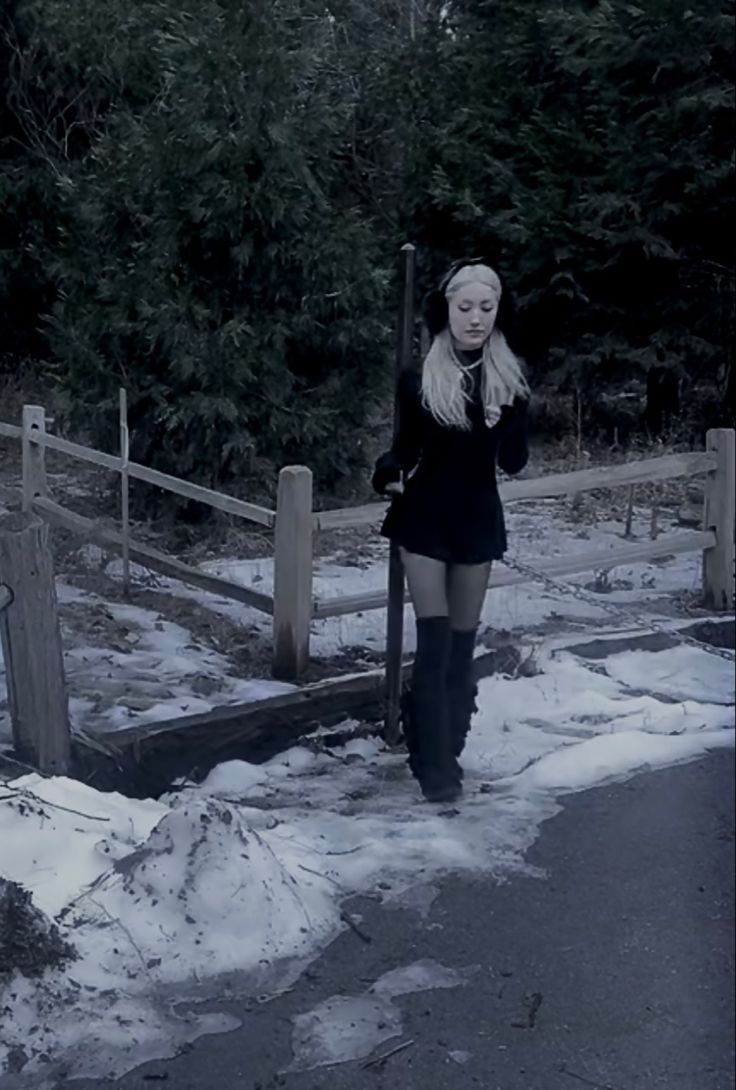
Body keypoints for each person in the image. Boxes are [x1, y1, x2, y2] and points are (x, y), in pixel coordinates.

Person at [372, 260, 530, 804]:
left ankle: (450, 748)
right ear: (446, 310)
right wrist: (388, 471)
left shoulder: (509, 377)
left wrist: (506, 416)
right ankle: (432, 766)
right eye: (465, 307)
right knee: (435, 645)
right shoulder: (420, 376)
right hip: (425, 518)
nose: (476, 318)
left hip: (477, 520)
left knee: (463, 650)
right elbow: (404, 448)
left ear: (497, 313)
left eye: (486, 308)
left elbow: (514, 463)